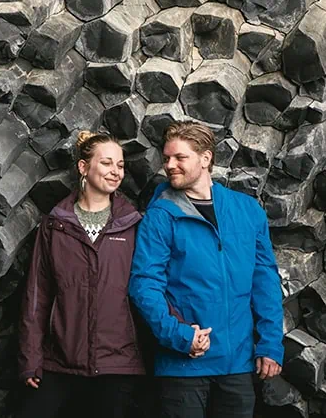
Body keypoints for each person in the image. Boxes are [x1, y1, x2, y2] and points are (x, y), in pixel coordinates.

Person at [128, 120, 285, 418]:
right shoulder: (160, 215)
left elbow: (265, 281)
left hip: (238, 363)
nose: (169, 165)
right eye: (166, 158)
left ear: (205, 158)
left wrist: (270, 344)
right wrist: (178, 335)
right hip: (181, 365)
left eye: (179, 157)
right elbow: (144, 284)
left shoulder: (247, 210)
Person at [17, 130, 148, 418]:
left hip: (118, 364)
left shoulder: (133, 225)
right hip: (60, 361)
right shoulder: (55, 225)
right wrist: (30, 358)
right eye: (106, 163)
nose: (115, 172)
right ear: (83, 167)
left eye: (120, 165)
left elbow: (151, 288)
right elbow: (37, 295)